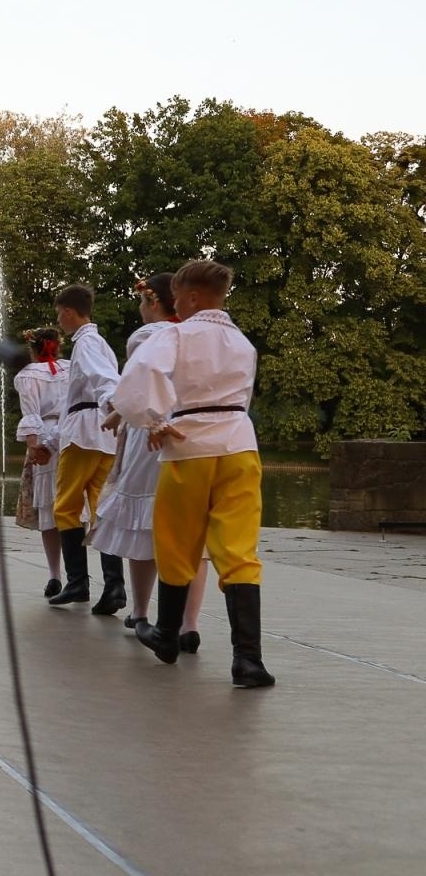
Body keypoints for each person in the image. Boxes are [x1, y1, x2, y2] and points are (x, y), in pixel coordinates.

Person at [114, 259, 275, 687]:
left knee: (177, 541)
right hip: (240, 445)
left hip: (190, 445)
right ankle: (248, 661)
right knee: (238, 549)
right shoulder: (242, 342)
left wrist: (152, 419)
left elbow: (140, 375)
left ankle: (167, 634)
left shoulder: (177, 333)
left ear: (189, 297)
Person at [90, 275, 211, 651]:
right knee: (192, 534)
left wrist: (117, 412)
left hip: (152, 436)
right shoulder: (200, 337)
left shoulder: (147, 337)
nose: (140, 309)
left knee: (142, 526)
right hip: (193, 437)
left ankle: (141, 612)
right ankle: (189, 624)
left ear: (154, 302)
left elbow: (138, 390)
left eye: (142, 302)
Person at [31, 285, 125, 613]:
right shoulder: (101, 343)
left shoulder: (85, 343)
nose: (59, 319)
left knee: (66, 507)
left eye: (59, 312)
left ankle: (77, 583)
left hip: (84, 434)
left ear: (69, 312)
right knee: (100, 510)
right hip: (104, 438)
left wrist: (117, 408)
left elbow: (103, 381)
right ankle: (114, 586)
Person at [13, 328, 68, 595]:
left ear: (33, 349)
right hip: (72, 435)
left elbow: (31, 414)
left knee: (49, 511)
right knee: (72, 508)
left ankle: (55, 574)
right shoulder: (71, 369)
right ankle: (77, 575)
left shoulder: (28, 375)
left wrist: (36, 447)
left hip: (45, 436)